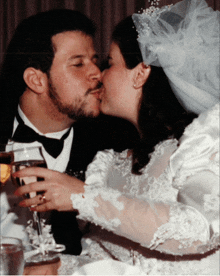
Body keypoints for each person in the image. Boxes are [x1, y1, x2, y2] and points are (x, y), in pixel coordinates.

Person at [14, 0, 219, 274]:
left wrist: (81, 197)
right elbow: (102, 261)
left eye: (108, 63)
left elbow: (200, 229)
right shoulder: (110, 165)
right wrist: (57, 267)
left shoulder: (202, 143)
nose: (99, 75)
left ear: (141, 72)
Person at [0, 9, 138, 255]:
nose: (97, 73)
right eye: (78, 64)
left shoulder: (119, 141)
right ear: (36, 80)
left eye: (95, 60)